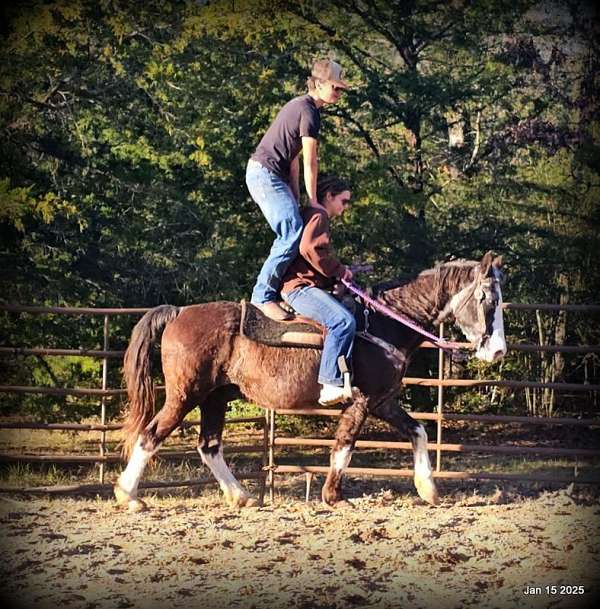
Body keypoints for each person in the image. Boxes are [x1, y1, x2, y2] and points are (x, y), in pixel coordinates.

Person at [246, 59, 349, 321]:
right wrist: (313, 200)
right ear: (319, 84)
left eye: (340, 89)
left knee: (293, 228)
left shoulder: (301, 107)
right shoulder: (309, 111)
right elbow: (309, 160)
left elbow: (292, 159)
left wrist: (296, 195)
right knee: (291, 230)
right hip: (264, 174)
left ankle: (279, 290)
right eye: (335, 88)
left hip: (272, 175)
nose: (338, 93)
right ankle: (262, 296)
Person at [280, 175, 355, 406]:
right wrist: (340, 270)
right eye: (343, 202)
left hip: (303, 285)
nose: (343, 209)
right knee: (343, 322)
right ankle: (330, 382)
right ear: (329, 195)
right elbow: (310, 248)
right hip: (299, 288)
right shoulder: (319, 214)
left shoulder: (311, 214)